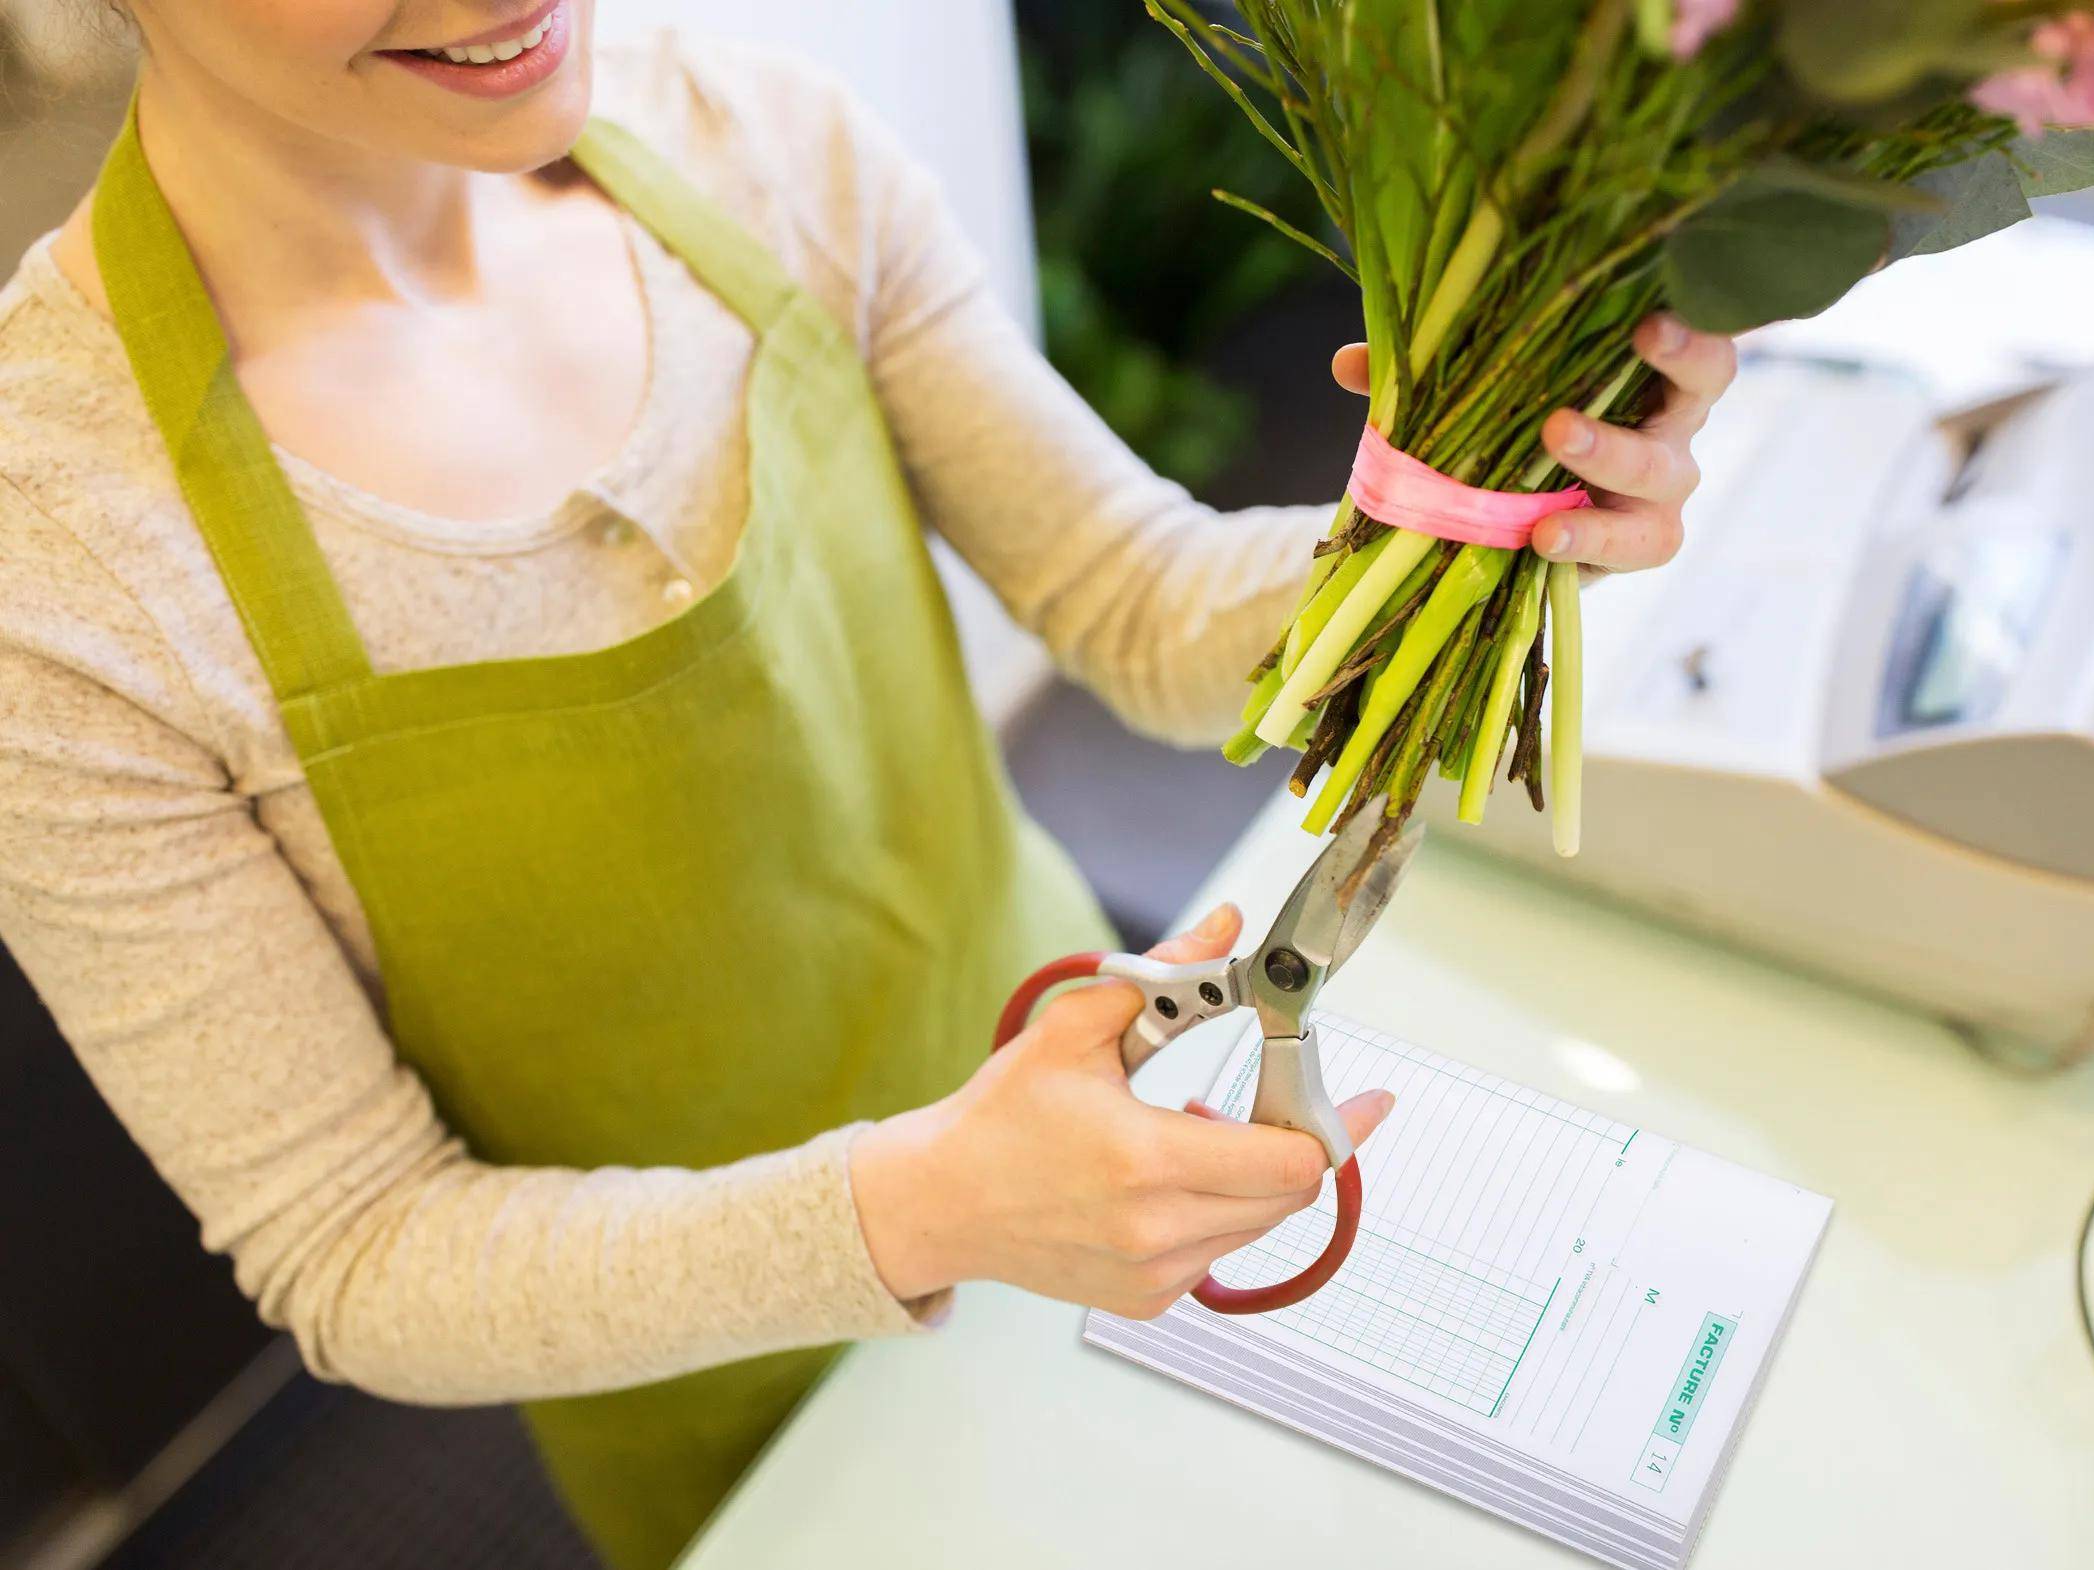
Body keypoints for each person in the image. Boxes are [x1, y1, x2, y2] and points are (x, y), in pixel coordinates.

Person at [0, 4, 1737, 1565]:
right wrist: (929, 1203)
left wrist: (1473, 525)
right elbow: (359, 1249)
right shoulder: (58, 558)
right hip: (727, 1387)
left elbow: (1128, 598)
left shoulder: (766, 144)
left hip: (1134, 1110)